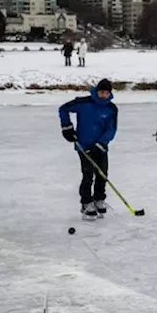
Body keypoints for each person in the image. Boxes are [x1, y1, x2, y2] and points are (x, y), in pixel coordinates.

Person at [58, 78, 118, 220]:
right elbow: (63, 109)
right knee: (88, 174)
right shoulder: (83, 102)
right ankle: (86, 202)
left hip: (101, 147)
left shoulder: (112, 108)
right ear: (97, 91)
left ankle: (98, 199)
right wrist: (67, 127)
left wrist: (102, 143)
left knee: (102, 174)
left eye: (106, 93)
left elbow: (112, 129)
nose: (103, 95)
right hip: (83, 145)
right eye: (101, 92)